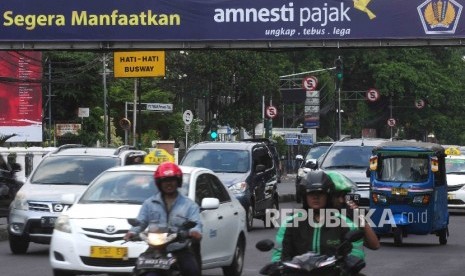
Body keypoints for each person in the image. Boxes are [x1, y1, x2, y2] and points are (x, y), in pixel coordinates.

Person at [124, 162, 202, 276]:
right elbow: (140, 222)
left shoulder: (189, 205)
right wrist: (132, 233)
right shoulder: (149, 203)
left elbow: (196, 224)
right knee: (138, 270)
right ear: (159, 183)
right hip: (155, 249)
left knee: (192, 270)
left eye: (172, 180)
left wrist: (194, 232)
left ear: (178, 181)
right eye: (165, 180)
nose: (169, 183)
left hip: (179, 249)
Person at [280, 170, 365, 262]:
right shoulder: (291, 222)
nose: (315, 197)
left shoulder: (344, 222)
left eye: (320, 193)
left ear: (328, 196)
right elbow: (280, 252)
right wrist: (278, 265)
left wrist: (351, 262)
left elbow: (356, 251)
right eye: (311, 193)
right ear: (305, 196)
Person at [326, 171, 380, 250]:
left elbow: (374, 245)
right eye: (337, 196)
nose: (341, 200)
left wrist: (360, 218)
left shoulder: (348, 215)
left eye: (343, 196)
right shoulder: (309, 218)